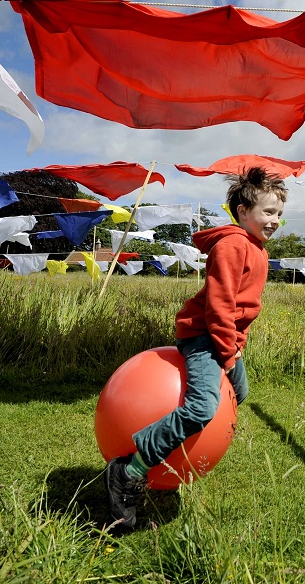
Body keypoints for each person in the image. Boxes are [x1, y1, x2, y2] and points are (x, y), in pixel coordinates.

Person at [105, 166, 286, 529]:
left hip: (223, 338)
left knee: (240, 392)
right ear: (243, 212)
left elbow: (240, 310)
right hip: (204, 337)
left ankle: (183, 451)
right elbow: (220, 307)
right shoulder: (233, 245)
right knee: (203, 408)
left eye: (279, 213)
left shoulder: (256, 248)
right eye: (268, 212)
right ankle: (129, 470)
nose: (275, 221)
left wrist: (237, 347)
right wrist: (229, 354)